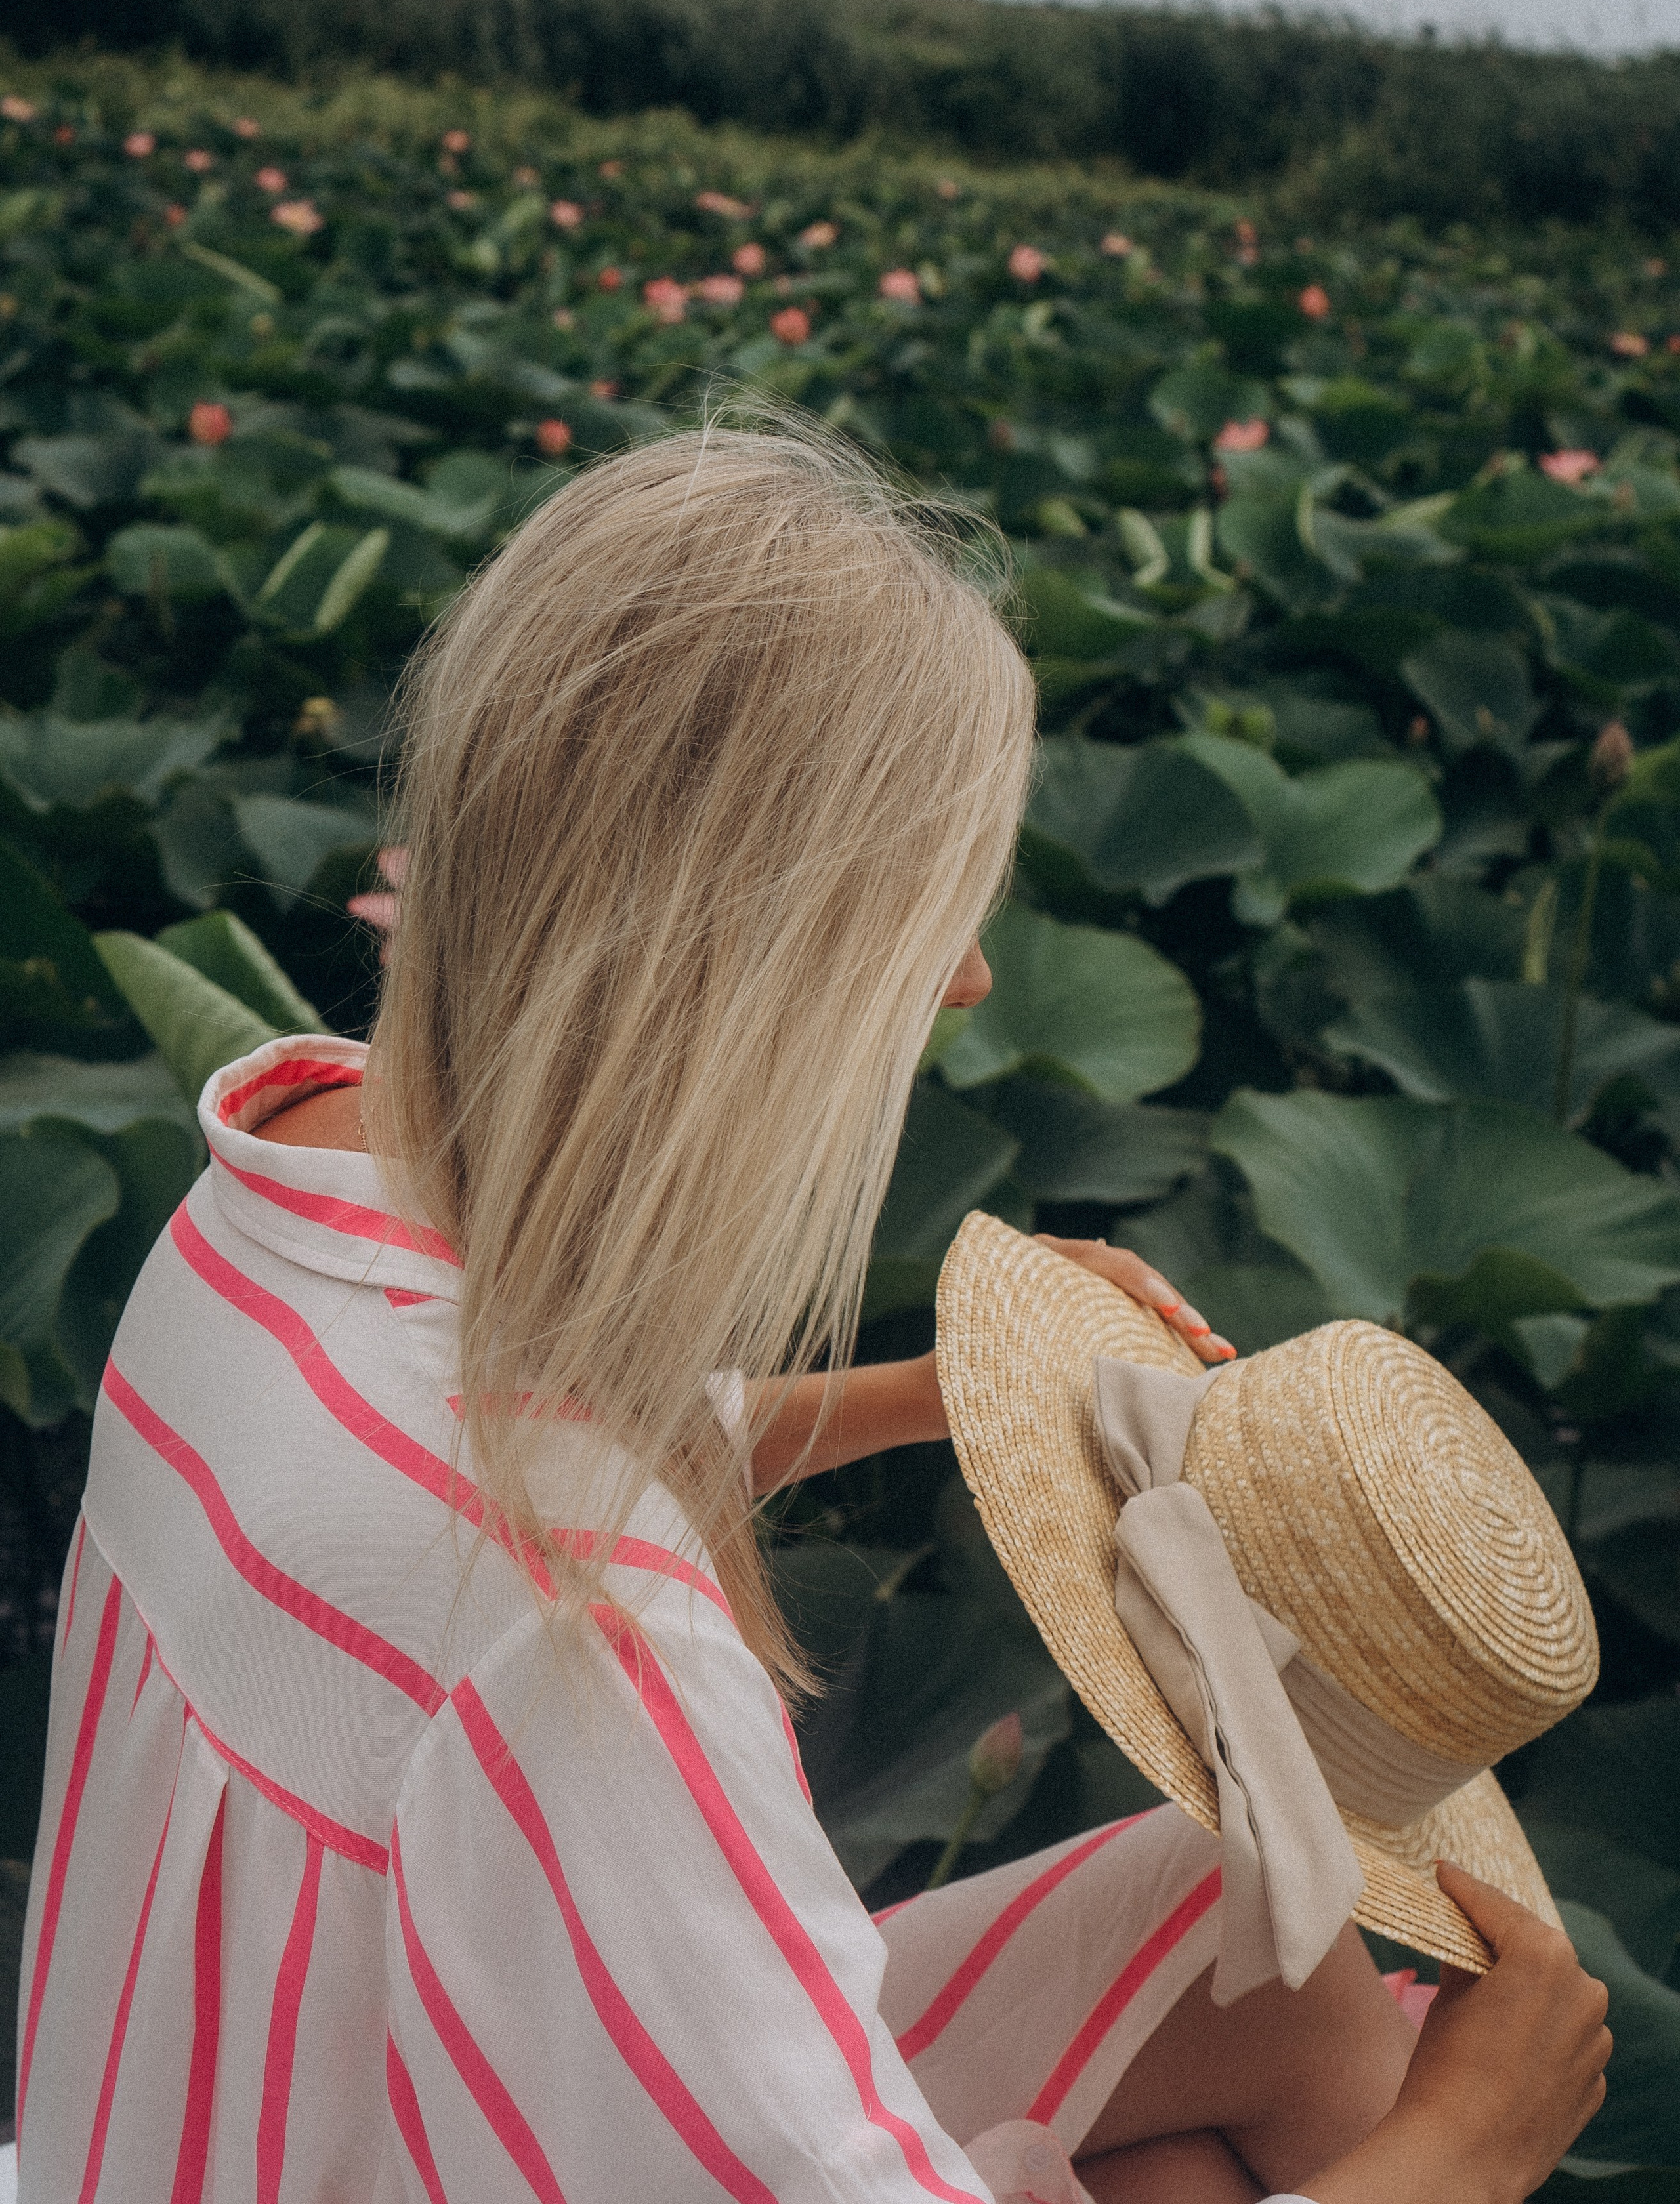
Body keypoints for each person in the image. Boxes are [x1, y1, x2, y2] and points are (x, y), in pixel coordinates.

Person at [16, 425, 1608, 2203]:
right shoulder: (584, 1637)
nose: (974, 974)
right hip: (393, 2139)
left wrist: (930, 1394)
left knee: (1263, 1938)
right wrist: (1465, 2157)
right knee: (1303, 2122)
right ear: (765, 951)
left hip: (228, 2113)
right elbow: (520, 1574)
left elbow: (432, 1468)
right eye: (935, 907)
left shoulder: (277, 1181)